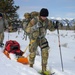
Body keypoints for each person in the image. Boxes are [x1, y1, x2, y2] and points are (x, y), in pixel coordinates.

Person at [25, 8, 58, 74]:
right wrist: (35, 26)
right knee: (32, 53)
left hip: (42, 39)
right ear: (40, 15)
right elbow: (27, 30)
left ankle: (44, 69)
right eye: (43, 16)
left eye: (45, 16)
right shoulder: (34, 20)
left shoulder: (47, 21)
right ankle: (31, 66)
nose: (44, 18)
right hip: (34, 39)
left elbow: (51, 29)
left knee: (45, 52)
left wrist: (55, 26)